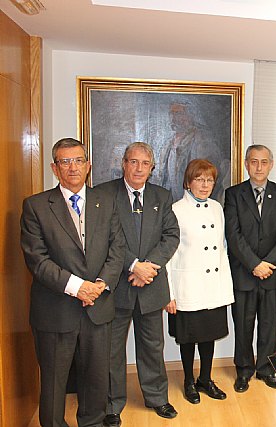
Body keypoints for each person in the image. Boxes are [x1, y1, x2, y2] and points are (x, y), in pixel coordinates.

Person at [20, 138, 125, 427]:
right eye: (65, 162)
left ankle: (91, 423)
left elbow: (117, 251)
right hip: (56, 310)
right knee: (54, 384)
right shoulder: (36, 206)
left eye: (78, 160)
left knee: (95, 380)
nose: (73, 167)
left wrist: (100, 284)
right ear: (55, 168)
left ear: (88, 165)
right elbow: (37, 261)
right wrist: (78, 287)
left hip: (98, 308)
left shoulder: (107, 203)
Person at [96, 142, 180, 426]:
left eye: (145, 163)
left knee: (152, 346)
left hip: (151, 285)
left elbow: (171, 236)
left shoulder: (162, 195)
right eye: (133, 162)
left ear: (152, 167)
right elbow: (103, 238)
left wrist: (148, 268)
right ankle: (111, 404)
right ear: (123, 163)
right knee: (112, 350)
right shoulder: (104, 194)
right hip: (117, 285)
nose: (138, 168)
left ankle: (157, 398)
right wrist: (133, 265)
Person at [224, 144, 276, 392]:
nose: (259, 167)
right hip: (244, 273)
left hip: (272, 275)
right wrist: (254, 264)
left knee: (269, 325)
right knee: (243, 325)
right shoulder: (233, 194)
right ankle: (244, 370)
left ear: (271, 164)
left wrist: (268, 265)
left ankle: (266, 369)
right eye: (254, 161)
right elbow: (233, 235)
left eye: (264, 162)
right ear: (246, 164)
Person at [165, 159, 234, 404]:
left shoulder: (217, 208)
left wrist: (225, 288)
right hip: (188, 286)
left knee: (209, 335)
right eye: (200, 179)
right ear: (189, 181)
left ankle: (206, 379)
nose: (205, 185)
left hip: (213, 286)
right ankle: (188, 381)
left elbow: (222, 250)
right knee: (188, 337)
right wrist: (169, 293)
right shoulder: (175, 210)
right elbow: (168, 255)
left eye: (209, 180)